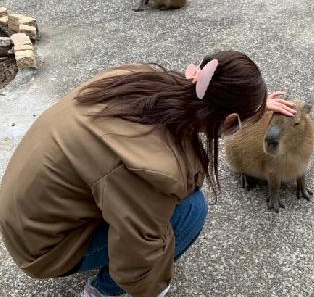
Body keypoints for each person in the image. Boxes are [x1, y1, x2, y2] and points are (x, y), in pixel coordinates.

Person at [0, 50, 296, 297]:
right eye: (244, 123)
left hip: (24, 213)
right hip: (42, 249)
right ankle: (102, 291)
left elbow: (200, 98)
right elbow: (138, 252)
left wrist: (252, 108)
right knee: (191, 211)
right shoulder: (152, 168)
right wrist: (152, 286)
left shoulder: (139, 77)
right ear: (229, 120)